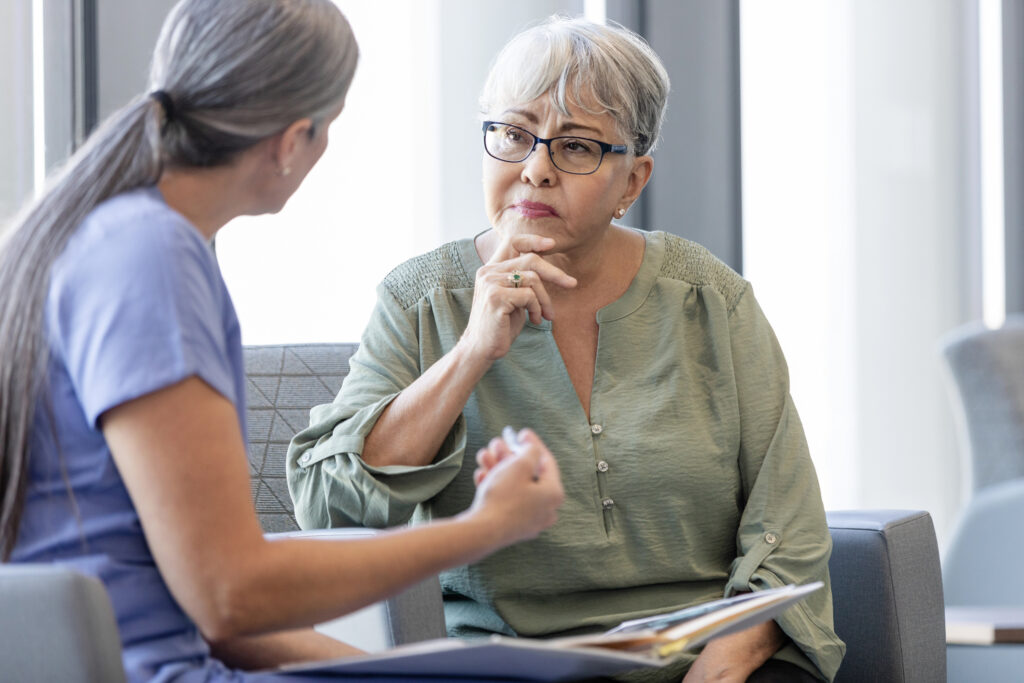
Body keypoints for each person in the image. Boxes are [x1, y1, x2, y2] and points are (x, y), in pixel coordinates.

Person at [0, 1, 565, 681]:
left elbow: (210, 609)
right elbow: (232, 591)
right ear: (294, 137)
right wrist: (486, 526)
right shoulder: (151, 259)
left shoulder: (110, 237)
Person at [287, 16, 845, 683]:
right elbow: (328, 509)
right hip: (517, 669)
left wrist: (726, 662)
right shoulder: (419, 301)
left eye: (575, 147)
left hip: (713, 660)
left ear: (632, 181)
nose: (536, 169)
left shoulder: (710, 300)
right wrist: (470, 352)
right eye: (514, 135)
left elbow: (791, 524)